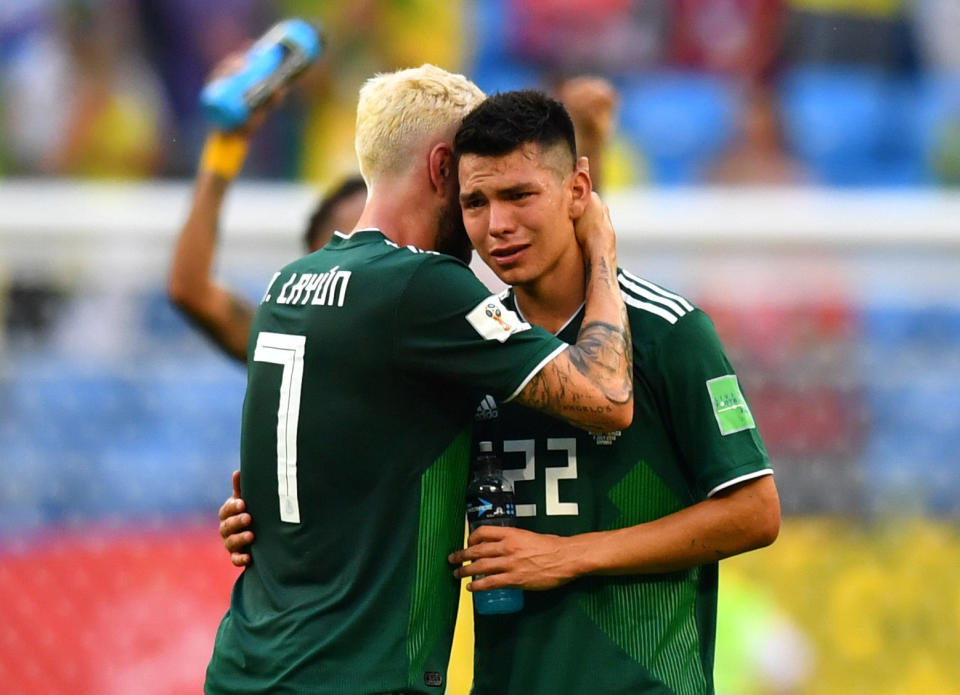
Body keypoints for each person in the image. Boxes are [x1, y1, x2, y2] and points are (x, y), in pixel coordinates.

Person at [223, 89, 780, 694]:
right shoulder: (475, 344)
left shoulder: (668, 332)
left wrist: (572, 555)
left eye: (519, 195)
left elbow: (754, 511)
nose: (497, 226)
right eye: (475, 202)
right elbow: (396, 475)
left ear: (576, 190)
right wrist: (273, 514)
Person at [203, 65, 634, 695]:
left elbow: (296, 479)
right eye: (471, 182)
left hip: (246, 665)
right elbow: (606, 396)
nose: (484, 213)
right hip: (355, 676)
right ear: (441, 168)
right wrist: (601, 249)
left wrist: (248, 517)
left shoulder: (286, 285)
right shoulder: (420, 286)